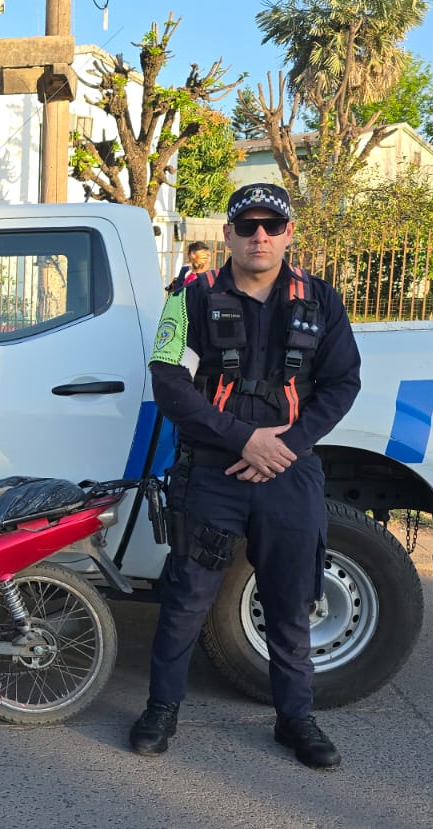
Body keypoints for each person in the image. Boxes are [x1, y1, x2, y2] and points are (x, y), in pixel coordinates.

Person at [130, 183, 361, 769]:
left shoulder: (321, 300)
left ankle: (295, 719)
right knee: (186, 598)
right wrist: (244, 439)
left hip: (289, 473)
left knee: (289, 602)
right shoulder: (190, 298)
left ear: (288, 232)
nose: (260, 235)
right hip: (213, 471)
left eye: (272, 225)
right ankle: (161, 709)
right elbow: (168, 382)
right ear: (227, 234)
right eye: (248, 225)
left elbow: (342, 384)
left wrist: (286, 445)